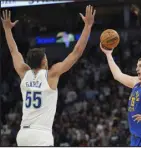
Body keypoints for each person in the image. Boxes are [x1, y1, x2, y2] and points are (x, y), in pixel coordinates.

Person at [1, 6, 96, 146]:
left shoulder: (23, 73)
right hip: (41, 135)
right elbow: (76, 52)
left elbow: (13, 50)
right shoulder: (51, 75)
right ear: (44, 61)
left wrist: (7, 29)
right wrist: (88, 26)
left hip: (23, 135)